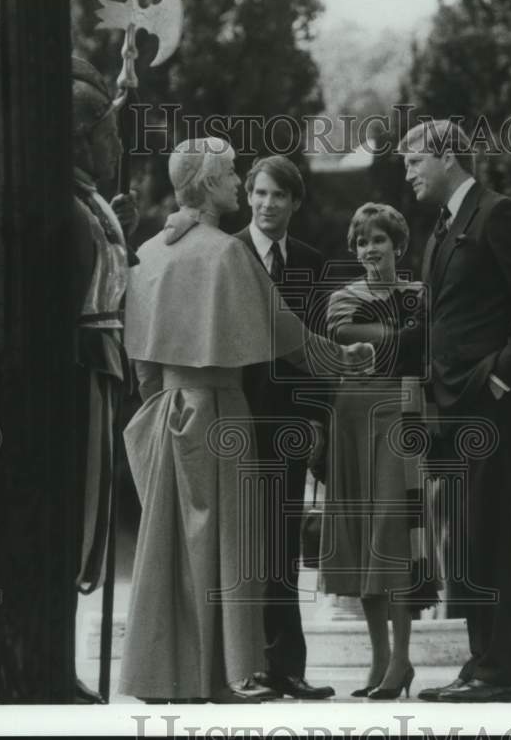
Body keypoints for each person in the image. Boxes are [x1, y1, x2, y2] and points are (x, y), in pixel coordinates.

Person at [118, 138, 372, 704]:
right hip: (221, 413)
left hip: (167, 413)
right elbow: (290, 338)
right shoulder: (228, 254)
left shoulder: (151, 250)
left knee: (171, 549)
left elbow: (141, 360)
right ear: (208, 184)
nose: (239, 186)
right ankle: (225, 676)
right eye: (233, 176)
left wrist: (160, 406)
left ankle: (167, 676)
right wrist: (346, 359)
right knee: (229, 546)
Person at [399, 120, 511, 703]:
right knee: (467, 541)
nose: (409, 170)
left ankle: (503, 671)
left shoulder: (499, 214)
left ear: (447, 156)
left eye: (415, 159)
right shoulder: (442, 230)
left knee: (489, 536)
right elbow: (438, 321)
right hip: (453, 409)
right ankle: (482, 662)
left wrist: (501, 376)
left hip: (491, 407)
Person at [169, 155, 335, 699]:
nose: (265, 204)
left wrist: (314, 420)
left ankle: (287, 665)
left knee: (284, 544)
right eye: (258, 193)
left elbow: (313, 347)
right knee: (241, 544)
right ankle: (246, 665)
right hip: (234, 420)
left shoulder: (310, 262)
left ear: (294, 203)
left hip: (286, 426)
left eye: (277, 196)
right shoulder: (228, 251)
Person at [318, 203, 437, 700]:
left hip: (401, 416)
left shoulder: (420, 294)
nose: (370, 250)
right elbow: (345, 336)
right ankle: (379, 660)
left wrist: (398, 341)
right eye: (363, 242)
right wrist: (404, 338)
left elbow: (426, 348)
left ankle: (403, 660)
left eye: (379, 240)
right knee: (364, 535)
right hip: (352, 420)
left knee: (397, 532)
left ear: (398, 245)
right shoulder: (343, 298)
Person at [70, 56, 138, 702]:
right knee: (76, 514)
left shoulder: (91, 199)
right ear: (82, 134)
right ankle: (58, 659)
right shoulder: (70, 203)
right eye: (108, 130)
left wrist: (124, 225)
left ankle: (64, 659)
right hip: (81, 368)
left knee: (92, 517)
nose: (117, 142)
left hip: (102, 366)